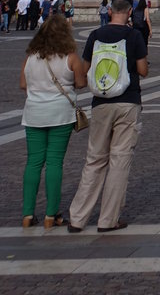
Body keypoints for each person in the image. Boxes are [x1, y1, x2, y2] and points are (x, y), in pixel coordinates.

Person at [67, 0, 148, 232]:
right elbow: (143, 70)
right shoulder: (134, 35)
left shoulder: (96, 34)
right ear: (130, 12)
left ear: (110, 11)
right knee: (119, 160)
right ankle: (108, 220)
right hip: (128, 101)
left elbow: (84, 69)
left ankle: (77, 218)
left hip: (100, 102)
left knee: (94, 159)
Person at [20, 14, 86, 229]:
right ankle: (51, 215)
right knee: (54, 163)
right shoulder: (71, 57)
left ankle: (27, 214)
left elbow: (23, 84)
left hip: (34, 113)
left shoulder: (31, 56)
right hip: (60, 114)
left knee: (33, 162)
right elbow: (80, 83)